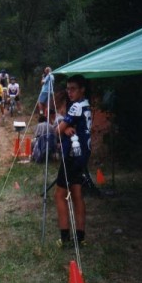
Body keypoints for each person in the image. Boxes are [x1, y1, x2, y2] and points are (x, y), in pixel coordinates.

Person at [54, 74, 92, 247]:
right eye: (68, 88)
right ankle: (81, 237)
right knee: (77, 194)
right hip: (83, 155)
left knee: (60, 195)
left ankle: (64, 238)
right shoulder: (86, 105)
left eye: (73, 88)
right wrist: (68, 127)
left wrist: (64, 126)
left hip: (72, 156)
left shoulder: (76, 107)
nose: (69, 92)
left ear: (82, 89)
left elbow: (57, 130)